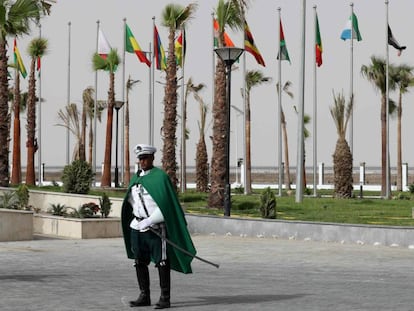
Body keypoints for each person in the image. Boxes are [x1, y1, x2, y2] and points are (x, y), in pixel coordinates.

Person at [121, 144, 196, 309]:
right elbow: (131, 200)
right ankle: (144, 295)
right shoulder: (136, 178)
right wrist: (136, 217)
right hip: (137, 226)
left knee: (162, 262)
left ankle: (165, 298)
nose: (142, 161)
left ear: (152, 158)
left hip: (155, 227)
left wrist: (150, 220)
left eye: (145, 158)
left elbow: (166, 206)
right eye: (140, 158)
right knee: (139, 261)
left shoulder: (160, 177)